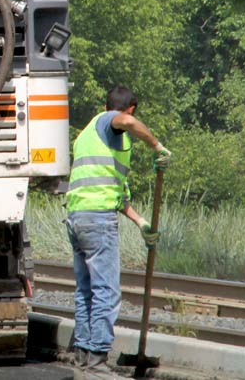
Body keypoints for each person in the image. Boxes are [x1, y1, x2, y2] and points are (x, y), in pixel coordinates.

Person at [67, 85, 172, 379]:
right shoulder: (110, 121)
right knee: (106, 292)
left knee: (86, 291)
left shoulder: (89, 136)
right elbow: (124, 121)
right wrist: (157, 145)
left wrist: (141, 223)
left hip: (78, 218)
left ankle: (84, 359)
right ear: (131, 110)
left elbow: (117, 198)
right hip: (97, 221)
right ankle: (97, 363)